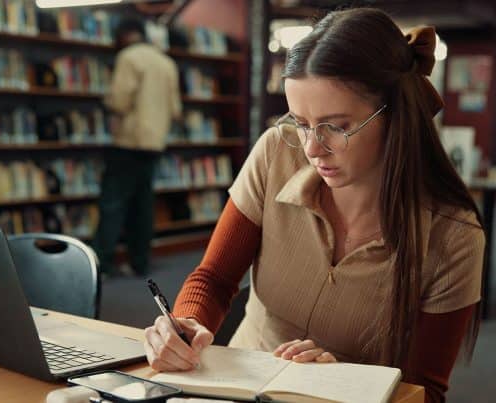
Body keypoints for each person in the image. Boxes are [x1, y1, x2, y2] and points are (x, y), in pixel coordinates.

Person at [143, 8, 485, 403]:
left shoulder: (453, 235)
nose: (311, 148)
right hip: (231, 389)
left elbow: (426, 392)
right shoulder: (275, 153)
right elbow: (215, 279)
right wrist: (185, 323)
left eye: (336, 126)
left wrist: (340, 381)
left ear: (395, 116)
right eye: (301, 122)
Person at [94, 17, 182, 276]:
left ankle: (102, 263)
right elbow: (176, 110)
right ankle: (139, 262)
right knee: (143, 205)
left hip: (129, 141)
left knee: (113, 203)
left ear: (125, 34)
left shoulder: (129, 58)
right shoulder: (167, 63)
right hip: (155, 142)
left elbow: (119, 101)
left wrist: (106, 101)